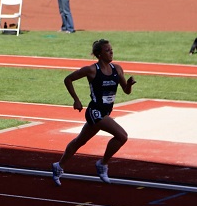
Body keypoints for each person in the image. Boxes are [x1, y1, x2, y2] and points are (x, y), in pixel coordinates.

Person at [51, 39, 136, 185]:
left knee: (80, 141)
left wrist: (128, 85)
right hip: (94, 111)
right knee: (122, 136)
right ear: (99, 54)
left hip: (106, 112)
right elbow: (68, 79)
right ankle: (102, 164)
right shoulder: (91, 70)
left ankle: (59, 166)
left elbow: (126, 91)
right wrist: (76, 100)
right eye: (107, 50)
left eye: (111, 49)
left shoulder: (117, 69)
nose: (111, 52)